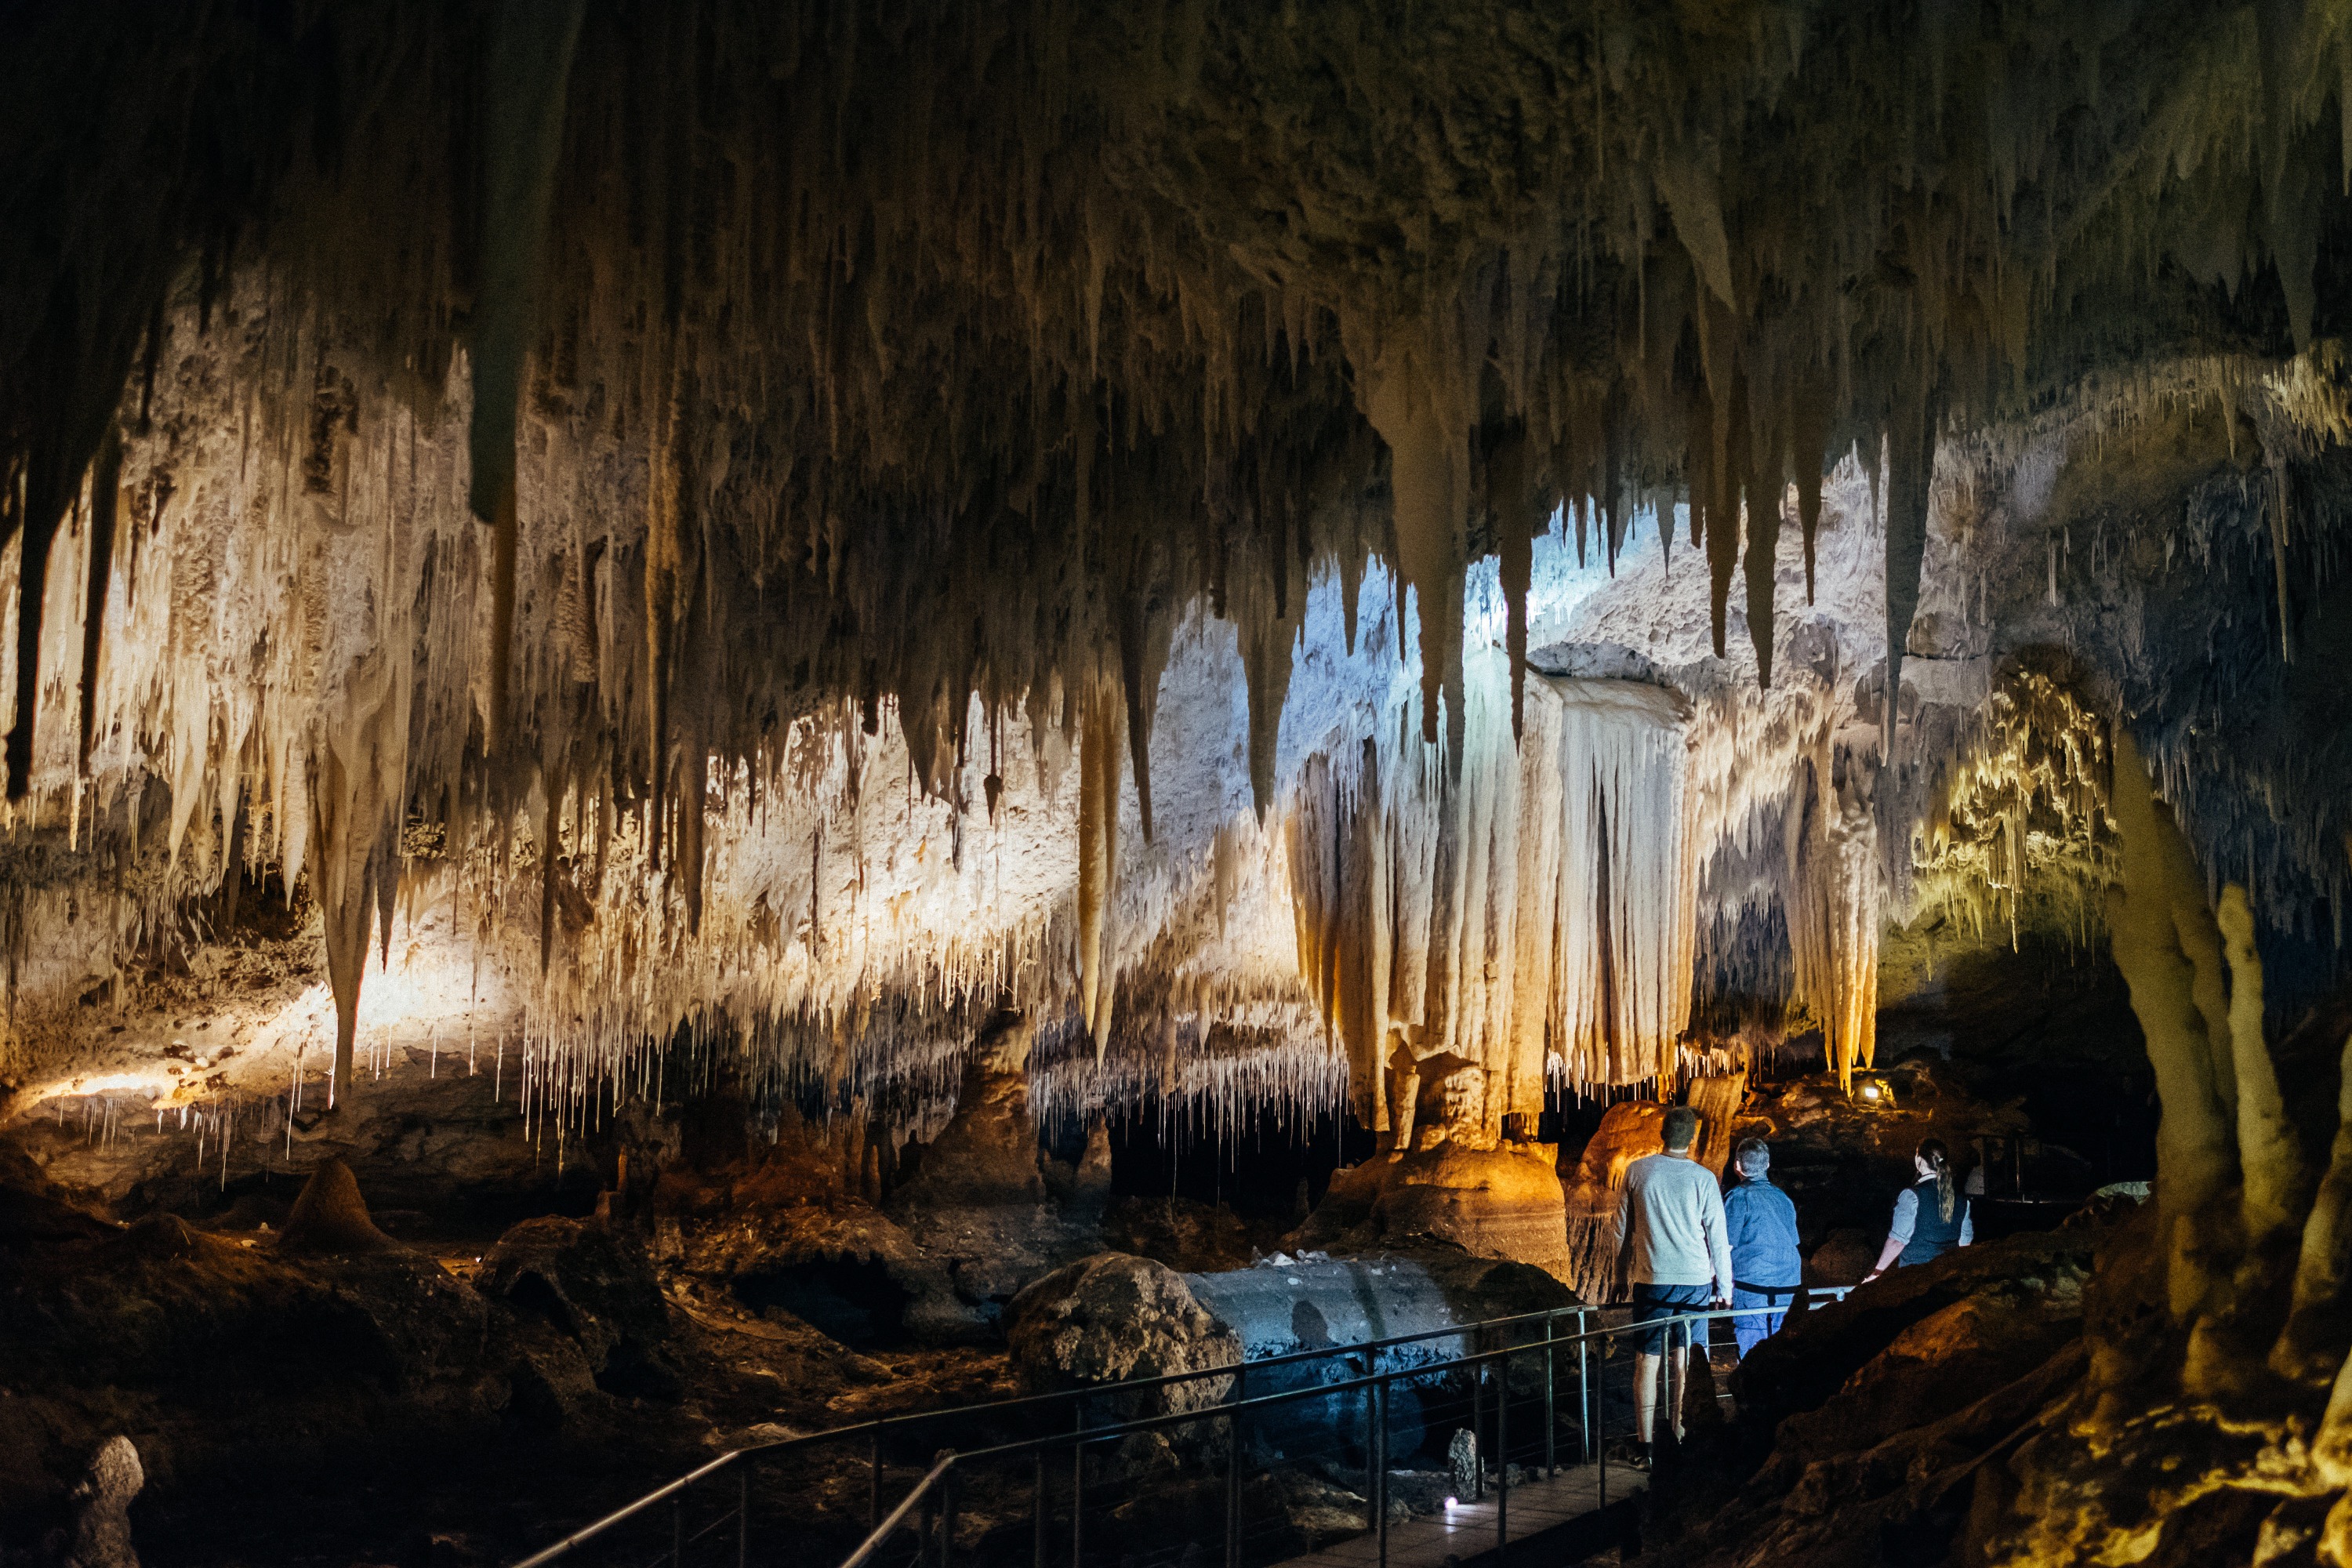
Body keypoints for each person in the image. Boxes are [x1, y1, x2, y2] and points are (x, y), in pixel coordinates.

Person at [1616, 1105, 1732, 1467]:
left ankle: (1646, 1443)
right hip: (1696, 1281)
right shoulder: (1704, 1178)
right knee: (1685, 1359)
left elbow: (1621, 1229)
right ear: (1692, 1138)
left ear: (1662, 1133)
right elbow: (1718, 1235)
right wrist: (1724, 1286)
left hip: (1653, 1280)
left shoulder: (1638, 1171)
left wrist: (1620, 1275)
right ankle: (1680, 1436)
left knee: (1646, 1361)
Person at [1721, 1137, 1802, 1358]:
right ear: (1767, 1165)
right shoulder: (1783, 1198)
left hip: (1753, 1286)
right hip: (1788, 1285)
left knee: (1753, 1354)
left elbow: (1725, 1245)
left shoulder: (1738, 1197)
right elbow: (1793, 1241)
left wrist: (1722, 1284)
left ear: (1737, 1166)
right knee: (1784, 1351)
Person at [1863, 1137, 1974, 1282]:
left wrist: (1876, 1273)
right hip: (1947, 1275)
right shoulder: (1962, 1199)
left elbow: (1898, 1241)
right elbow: (1965, 1242)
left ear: (1918, 1159)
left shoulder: (1912, 1195)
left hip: (1916, 1275)